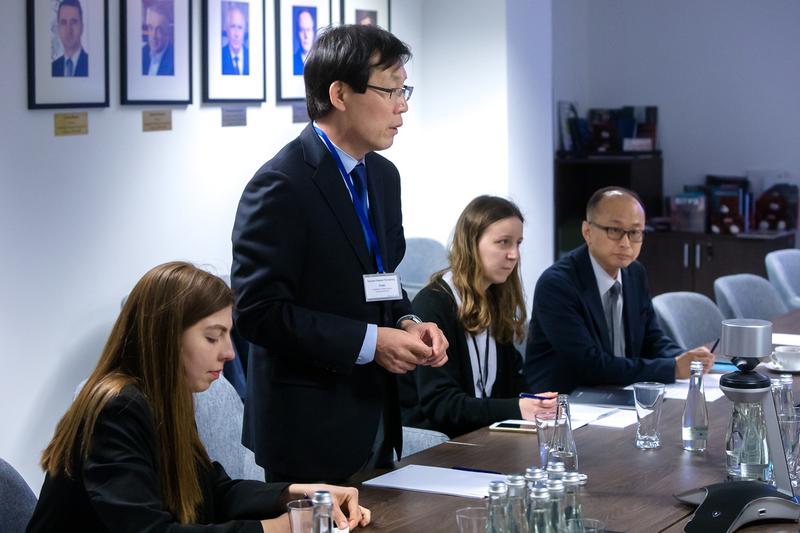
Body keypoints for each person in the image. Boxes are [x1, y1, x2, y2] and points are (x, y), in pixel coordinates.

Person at [231, 24, 448, 483]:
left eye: (404, 89)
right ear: (340, 94)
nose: (403, 106)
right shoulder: (282, 184)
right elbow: (258, 313)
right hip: (309, 426)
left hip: (377, 414)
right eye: (391, 90)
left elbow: (382, 278)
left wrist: (409, 323)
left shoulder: (384, 177)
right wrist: (371, 343)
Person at [25, 262, 370, 533]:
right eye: (212, 337)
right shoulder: (117, 408)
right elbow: (150, 531)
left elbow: (212, 490)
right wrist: (278, 528)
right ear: (166, 336)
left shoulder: (163, 396)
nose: (230, 353)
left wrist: (293, 493)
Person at [524, 187, 715, 394]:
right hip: (567, 404)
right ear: (587, 232)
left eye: (634, 233)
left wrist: (688, 358)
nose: (626, 243)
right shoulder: (557, 285)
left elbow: (651, 340)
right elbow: (589, 365)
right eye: (614, 231)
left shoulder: (634, 272)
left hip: (621, 393)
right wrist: (673, 368)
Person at [399, 196, 557, 438]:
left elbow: (513, 382)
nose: (514, 254)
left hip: (480, 436)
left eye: (518, 243)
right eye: (503, 242)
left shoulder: (494, 297)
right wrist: (517, 408)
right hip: (436, 445)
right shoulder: (432, 305)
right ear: (472, 244)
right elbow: (441, 405)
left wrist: (537, 405)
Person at [52, 0, 88, 77]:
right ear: (58, 29)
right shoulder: (53, 68)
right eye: (64, 23)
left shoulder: (91, 65)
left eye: (73, 22)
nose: (69, 30)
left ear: (81, 28)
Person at [142, 2, 174, 76]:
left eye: (158, 29)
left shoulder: (174, 60)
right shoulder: (143, 52)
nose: (153, 36)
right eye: (150, 28)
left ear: (168, 32)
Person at [222, 6, 248, 75]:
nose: (236, 34)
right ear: (227, 30)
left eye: (240, 27)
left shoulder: (250, 56)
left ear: (244, 32)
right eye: (233, 26)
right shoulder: (221, 56)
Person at [292, 9, 315, 75]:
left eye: (308, 29)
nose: (306, 36)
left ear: (313, 33)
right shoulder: (292, 62)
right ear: (297, 34)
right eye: (302, 30)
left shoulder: (321, 62)